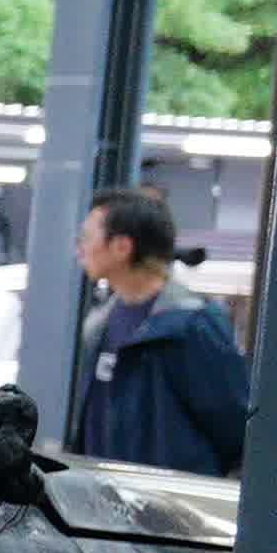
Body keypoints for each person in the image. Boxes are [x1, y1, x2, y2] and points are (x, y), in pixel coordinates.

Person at [66, 182, 251, 472]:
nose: (80, 249)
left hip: (167, 497)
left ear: (122, 247)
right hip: (103, 492)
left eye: (86, 238)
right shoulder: (98, 324)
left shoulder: (192, 326)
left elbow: (234, 430)